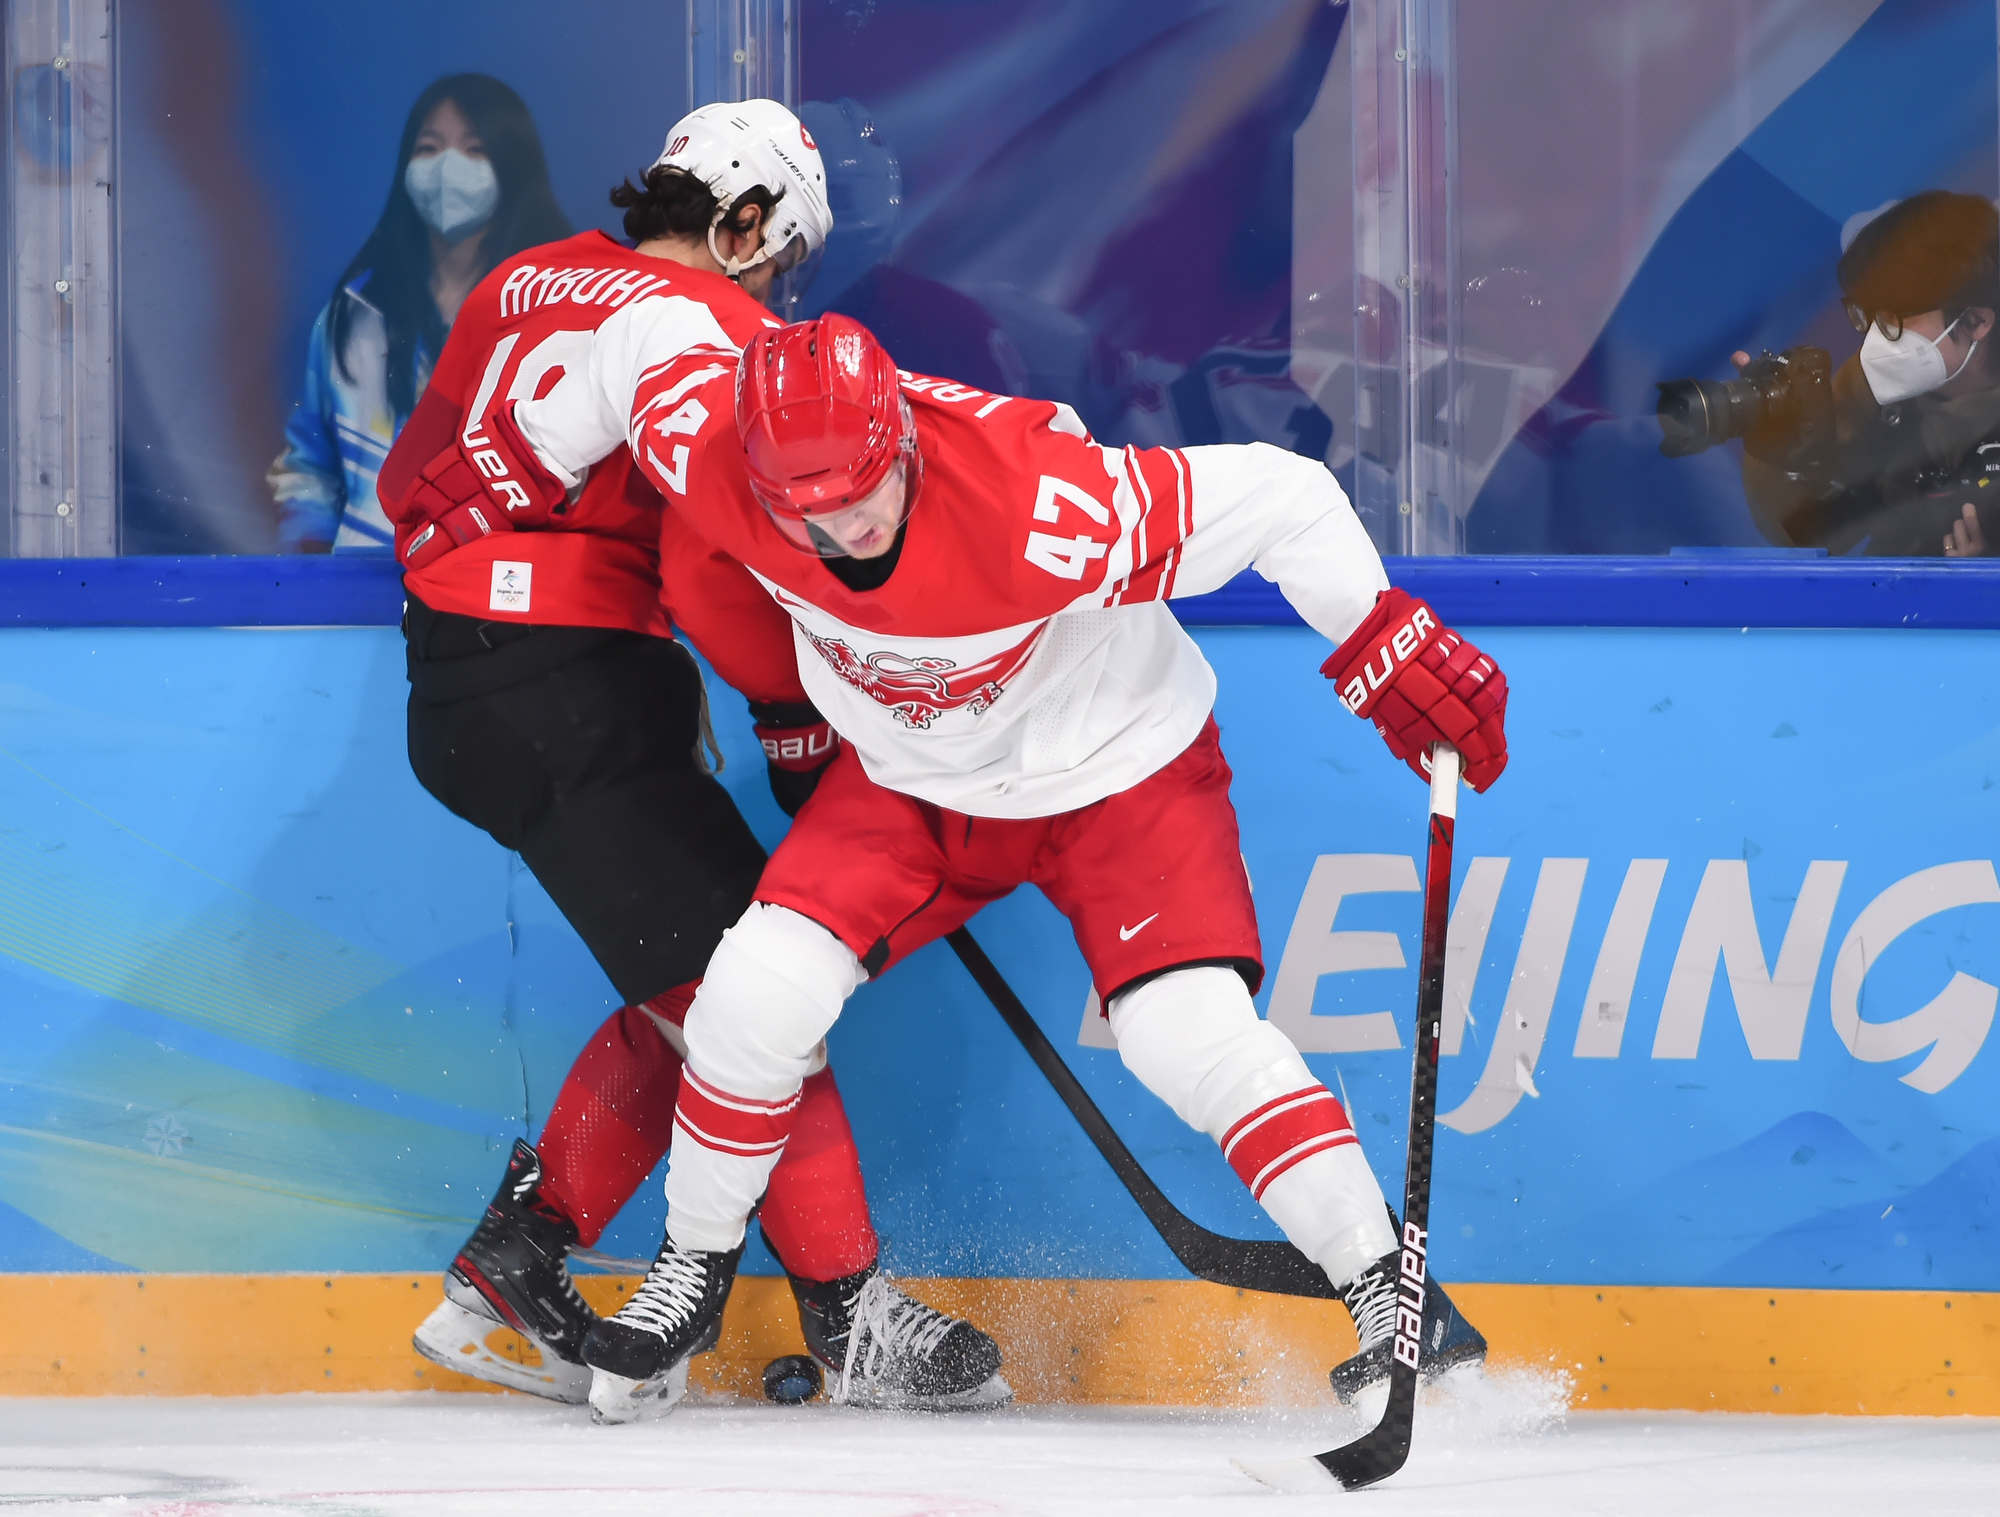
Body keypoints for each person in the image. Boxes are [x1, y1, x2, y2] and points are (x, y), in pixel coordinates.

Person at [416, 296, 1510, 1420]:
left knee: (1186, 1036)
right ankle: (693, 1266)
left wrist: (1383, 637)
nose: (845, 531)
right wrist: (521, 454)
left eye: (862, 496)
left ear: (900, 442)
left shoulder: (1041, 501)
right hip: (913, 780)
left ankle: (1393, 1297)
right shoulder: (711, 443)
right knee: (749, 993)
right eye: (805, 515)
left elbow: (1285, 495)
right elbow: (632, 347)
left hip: (1114, 773)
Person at [374, 100, 1005, 1413]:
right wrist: (799, 718)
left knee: (695, 993)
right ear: (746, 218)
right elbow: (728, 551)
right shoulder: (711, 328)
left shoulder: (526, 274)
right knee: (757, 1007)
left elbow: (420, 483)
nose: (776, 285)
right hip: (569, 691)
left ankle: (514, 1270)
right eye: (781, 256)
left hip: (470, 681)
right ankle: (852, 1319)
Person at [271, 74, 570, 553]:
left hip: (500, 583)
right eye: (429, 148)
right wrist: (311, 568)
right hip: (360, 582)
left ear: (514, 164)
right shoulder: (352, 316)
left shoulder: (553, 314)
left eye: (475, 150)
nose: (448, 168)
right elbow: (308, 467)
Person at [1733, 191, 2000, 557]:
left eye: (1896, 317)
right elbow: (1804, 534)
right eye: (1869, 314)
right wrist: (1779, 451)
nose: (1877, 338)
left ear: (1976, 321)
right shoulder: (1873, 389)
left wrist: (1986, 575)